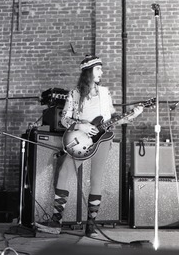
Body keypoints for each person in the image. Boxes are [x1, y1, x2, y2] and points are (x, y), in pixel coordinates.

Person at [42, 55, 143, 237]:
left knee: (96, 179)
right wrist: (80, 125)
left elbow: (113, 117)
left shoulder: (105, 93)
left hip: (103, 139)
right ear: (88, 72)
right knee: (64, 172)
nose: (102, 72)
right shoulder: (74, 94)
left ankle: (90, 225)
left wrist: (132, 116)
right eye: (98, 69)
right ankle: (56, 222)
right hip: (80, 139)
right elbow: (64, 118)